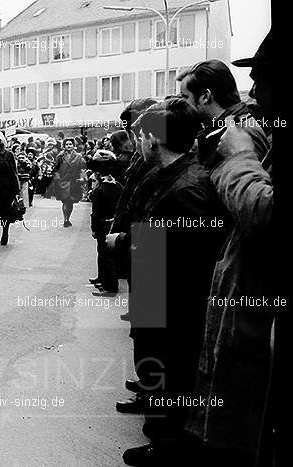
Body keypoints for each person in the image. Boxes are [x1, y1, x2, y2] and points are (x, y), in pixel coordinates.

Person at [117, 99, 230, 467]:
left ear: (154, 138)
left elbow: (189, 256)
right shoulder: (167, 175)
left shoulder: (188, 187)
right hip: (154, 290)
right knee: (154, 369)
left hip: (173, 301)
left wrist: (123, 242)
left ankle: (166, 447)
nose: (136, 144)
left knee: (169, 374)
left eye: (140, 137)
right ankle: (162, 437)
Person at [179, 52, 274, 464]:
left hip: (234, 274)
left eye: (184, 98)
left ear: (204, 97)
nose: (254, 87)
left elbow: (255, 212)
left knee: (227, 392)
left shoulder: (240, 131)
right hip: (218, 263)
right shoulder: (224, 130)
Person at [87, 150, 123, 297]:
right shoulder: (118, 186)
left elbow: (95, 214)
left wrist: (94, 229)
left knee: (105, 254)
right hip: (113, 223)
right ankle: (103, 279)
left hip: (103, 225)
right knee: (105, 254)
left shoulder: (99, 190)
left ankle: (109, 285)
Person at [51, 139, 85, 227]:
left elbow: (82, 168)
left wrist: (82, 178)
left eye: (70, 144)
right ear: (64, 146)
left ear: (73, 145)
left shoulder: (78, 157)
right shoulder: (60, 156)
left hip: (74, 182)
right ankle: (65, 219)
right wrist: (57, 179)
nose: (68, 146)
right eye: (67, 144)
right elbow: (55, 169)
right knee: (65, 201)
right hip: (63, 182)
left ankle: (68, 218)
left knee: (70, 201)